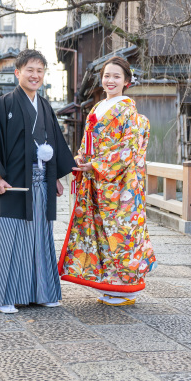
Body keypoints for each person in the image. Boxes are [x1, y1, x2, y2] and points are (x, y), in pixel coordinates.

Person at [0, 49, 76, 314]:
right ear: (17, 73)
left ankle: (41, 293)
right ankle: (3, 296)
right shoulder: (4, 104)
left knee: (39, 238)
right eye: (29, 70)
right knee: (10, 238)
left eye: (40, 71)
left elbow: (54, 142)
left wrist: (55, 177)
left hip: (39, 183)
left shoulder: (45, 106)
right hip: (12, 184)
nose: (35, 75)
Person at [59, 56, 156, 306]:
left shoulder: (127, 110)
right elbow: (88, 143)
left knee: (121, 232)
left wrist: (98, 164)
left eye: (116, 76)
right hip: (97, 181)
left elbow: (128, 149)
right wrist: (83, 159)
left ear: (126, 81)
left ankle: (127, 287)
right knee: (101, 233)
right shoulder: (97, 107)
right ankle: (110, 283)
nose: (110, 80)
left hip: (119, 184)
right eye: (106, 76)